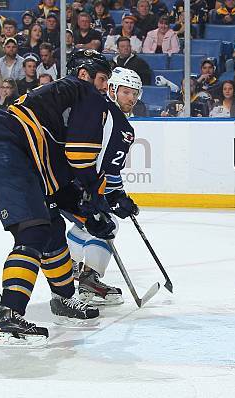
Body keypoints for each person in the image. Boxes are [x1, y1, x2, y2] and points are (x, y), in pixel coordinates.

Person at [0, 49, 113, 347]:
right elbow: (80, 157)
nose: (104, 88)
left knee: (51, 225)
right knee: (33, 229)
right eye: (102, 79)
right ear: (84, 75)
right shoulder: (82, 91)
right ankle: (8, 316)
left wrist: (87, 213)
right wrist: (92, 201)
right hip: (6, 152)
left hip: (15, 155)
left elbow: (59, 184)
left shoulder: (62, 102)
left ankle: (64, 300)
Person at [67, 67, 142, 305]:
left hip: (64, 182)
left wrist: (117, 194)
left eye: (135, 93)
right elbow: (107, 169)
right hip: (80, 187)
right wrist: (117, 196)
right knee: (107, 226)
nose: (131, 98)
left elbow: (105, 167)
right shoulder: (119, 124)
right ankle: (89, 282)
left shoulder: (97, 109)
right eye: (126, 92)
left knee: (86, 226)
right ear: (112, 90)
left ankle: (70, 269)